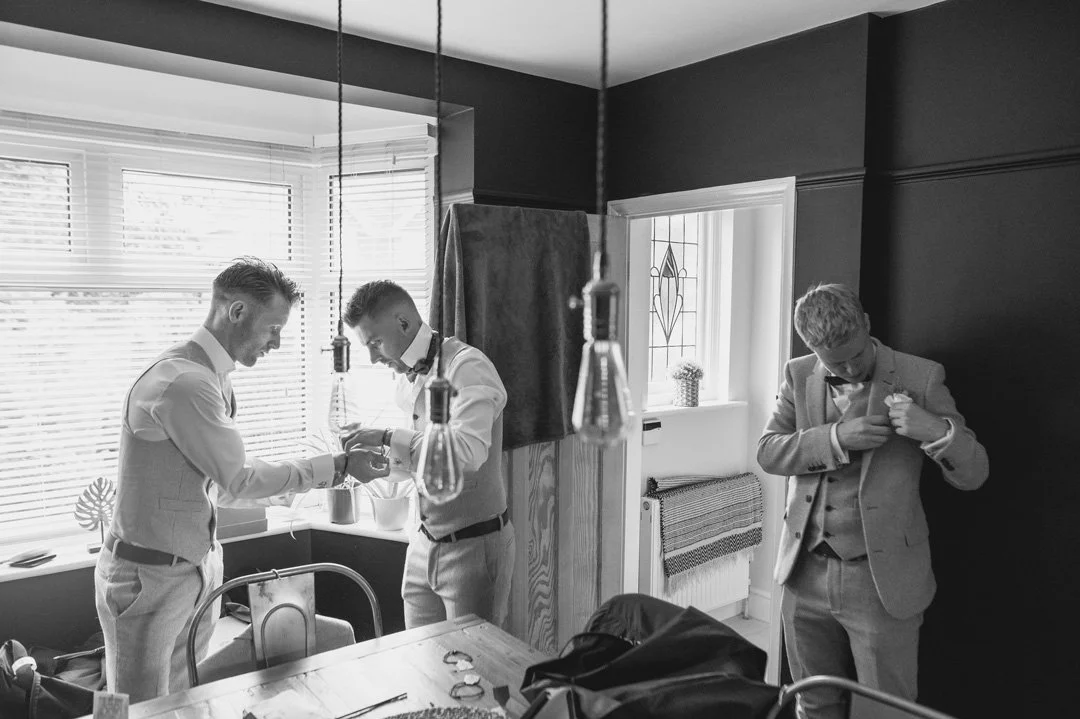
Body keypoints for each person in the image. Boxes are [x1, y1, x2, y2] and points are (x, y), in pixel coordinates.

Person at [95, 257, 390, 703]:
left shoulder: (212, 379)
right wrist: (339, 467)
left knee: (181, 704)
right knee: (134, 709)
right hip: (149, 577)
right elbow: (238, 481)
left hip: (194, 568)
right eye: (273, 328)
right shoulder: (183, 383)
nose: (277, 342)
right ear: (236, 312)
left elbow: (213, 489)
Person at [757, 283, 988, 719]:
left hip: (880, 581)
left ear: (866, 324)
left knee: (886, 711)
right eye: (835, 362)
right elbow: (769, 452)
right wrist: (835, 437)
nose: (849, 368)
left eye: (856, 355)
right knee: (812, 701)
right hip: (802, 572)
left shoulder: (921, 376)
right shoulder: (798, 373)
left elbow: (975, 473)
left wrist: (935, 430)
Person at [341, 280, 514, 630]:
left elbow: (467, 453)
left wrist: (390, 435)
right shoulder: (405, 381)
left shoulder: (468, 367)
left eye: (375, 342)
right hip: (421, 546)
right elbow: (426, 459)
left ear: (403, 322)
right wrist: (385, 466)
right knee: (419, 665)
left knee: (472, 672)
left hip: (473, 549)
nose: (373, 358)